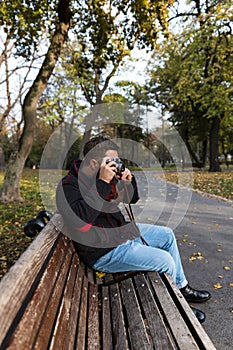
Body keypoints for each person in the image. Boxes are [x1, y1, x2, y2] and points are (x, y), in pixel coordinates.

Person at [56, 135, 211, 323]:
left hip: (121, 234)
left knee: (167, 235)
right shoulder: (68, 186)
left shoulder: (103, 175)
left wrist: (128, 182)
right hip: (104, 252)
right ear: (94, 162)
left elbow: (131, 199)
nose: (116, 165)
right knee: (165, 260)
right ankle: (178, 308)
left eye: (117, 160)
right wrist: (103, 184)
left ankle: (182, 287)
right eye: (111, 161)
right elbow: (81, 222)